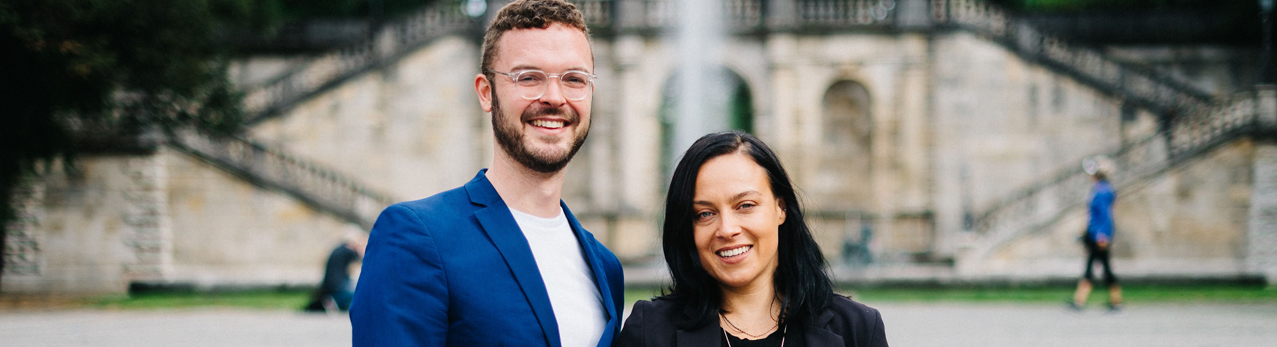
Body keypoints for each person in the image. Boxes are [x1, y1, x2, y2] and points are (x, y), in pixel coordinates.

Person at [351, 1, 623, 346]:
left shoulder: (606, 266)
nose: (555, 97)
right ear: (486, 93)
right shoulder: (417, 237)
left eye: (574, 79)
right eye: (528, 77)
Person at [617, 131, 888, 347]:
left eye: (745, 205)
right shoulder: (649, 331)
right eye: (704, 213)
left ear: (780, 208)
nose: (727, 229)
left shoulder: (857, 328)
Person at [1068, 155, 1122, 312]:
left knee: (1099, 268)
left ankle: (1082, 301)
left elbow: (1104, 216)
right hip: (1094, 234)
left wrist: (1102, 235)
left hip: (1099, 236)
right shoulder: (1100, 189)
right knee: (1098, 267)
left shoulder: (1102, 191)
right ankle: (1111, 301)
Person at [304, 231, 367, 312]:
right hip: (338, 285)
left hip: (330, 284)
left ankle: (332, 301)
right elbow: (364, 259)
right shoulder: (347, 251)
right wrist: (361, 248)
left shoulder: (339, 250)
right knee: (359, 291)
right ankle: (336, 302)